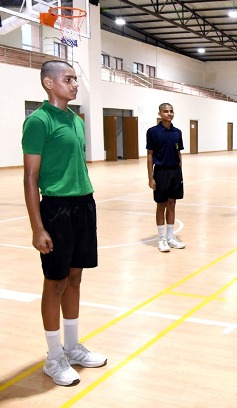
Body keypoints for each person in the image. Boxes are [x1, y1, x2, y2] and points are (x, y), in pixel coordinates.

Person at [22, 60, 107, 386]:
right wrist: (37, 227)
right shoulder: (38, 121)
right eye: (68, 79)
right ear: (49, 83)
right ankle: (54, 356)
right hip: (56, 209)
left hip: (83, 205)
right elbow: (30, 178)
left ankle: (71, 347)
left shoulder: (75, 120)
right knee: (54, 282)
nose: (74, 84)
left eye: (75, 79)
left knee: (75, 278)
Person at [146, 103, 186, 252]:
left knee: (172, 203)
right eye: (165, 111)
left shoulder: (177, 132)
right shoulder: (153, 132)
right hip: (161, 172)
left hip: (175, 172)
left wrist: (180, 172)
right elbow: (150, 155)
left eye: (171, 111)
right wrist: (151, 178)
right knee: (161, 205)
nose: (169, 114)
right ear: (160, 114)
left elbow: (179, 153)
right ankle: (162, 239)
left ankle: (170, 237)